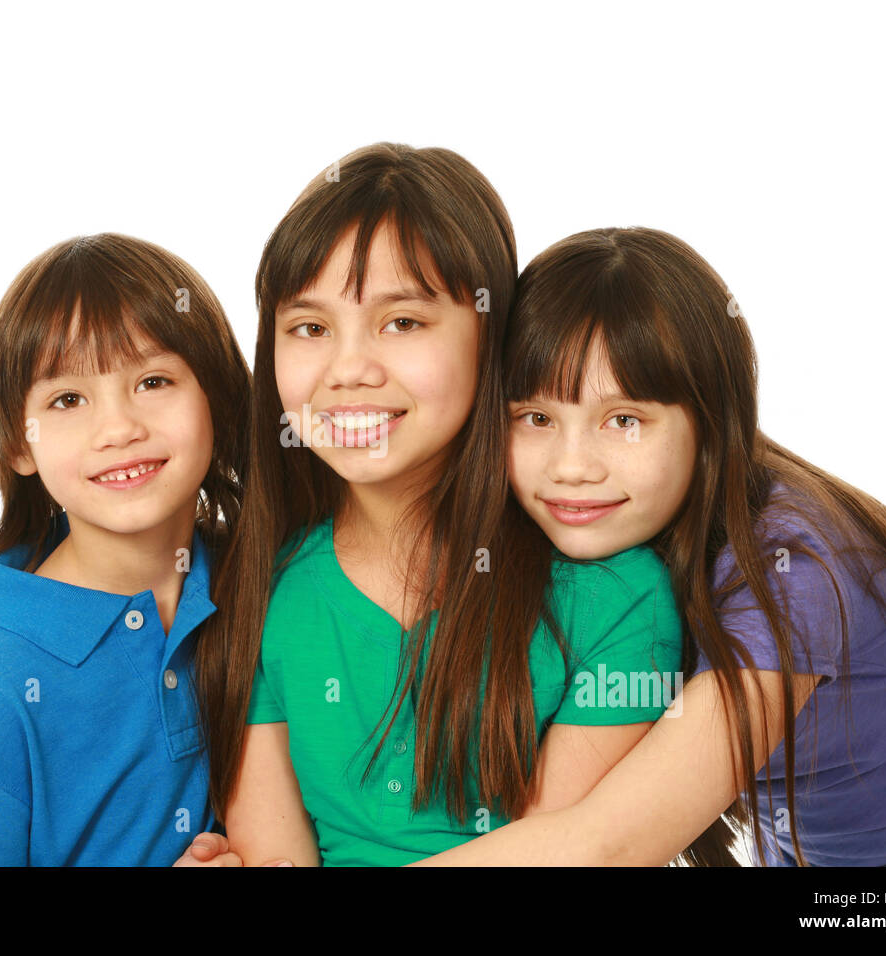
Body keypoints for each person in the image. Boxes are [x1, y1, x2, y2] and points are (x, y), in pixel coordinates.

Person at [182, 145, 688, 867]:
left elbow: (562, 855)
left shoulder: (613, 595)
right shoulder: (257, 589)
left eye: (403, 322)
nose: (350, 368)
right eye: (310, 328)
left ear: (491, 336)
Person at [414, 226, 886, 865]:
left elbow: (609, 847)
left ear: (711, 424)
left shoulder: (791, 569)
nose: (571, 466)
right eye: (537, 418)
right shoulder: (614, 551)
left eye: (624, 420)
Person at [0, 233, 250, 865]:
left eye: (153, 380)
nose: (118, 428)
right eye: (67, 399)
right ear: (18, 446)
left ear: (217, 399)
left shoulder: (256, 580)